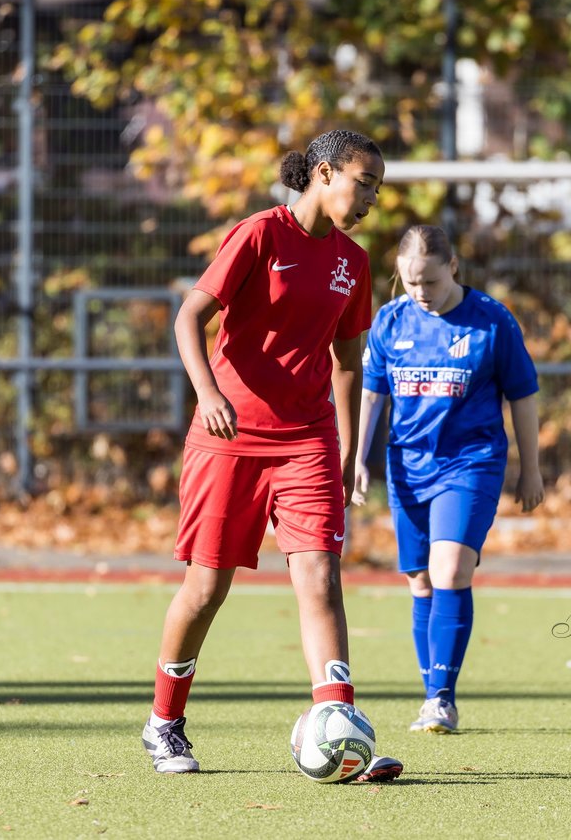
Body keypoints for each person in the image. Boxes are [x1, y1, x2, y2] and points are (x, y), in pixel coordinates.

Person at [142, 129, 403, 783]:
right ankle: (164, 722)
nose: (371, 198)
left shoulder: (354, 262)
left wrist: (348, 449)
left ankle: (339, 724)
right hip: (229, 437)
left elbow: (348, 362)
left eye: (377, 188)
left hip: (308, 439)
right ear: (324, 173)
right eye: (364, 182)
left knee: (320, 576)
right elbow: (188, 318)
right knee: (207, 588)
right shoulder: (259, 234)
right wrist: (207, 394)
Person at [352, 224, 544, 734]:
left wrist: (531, 467)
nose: (421, 292)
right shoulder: (390, 321)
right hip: (407, 466)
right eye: (410, 281)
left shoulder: (491, 320)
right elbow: (371, 393)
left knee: (451, 569)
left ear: (453, 267)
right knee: (420, 580)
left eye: (431, 281)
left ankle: (441, 699)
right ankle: (431, 693)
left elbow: (523, 396)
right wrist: (356, 457)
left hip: (470, 463)